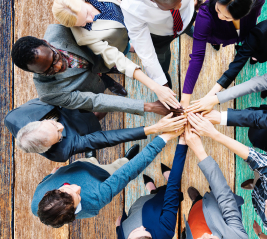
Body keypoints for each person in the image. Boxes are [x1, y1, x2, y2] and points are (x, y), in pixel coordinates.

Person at [11, 24, 181, 115]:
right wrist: (149, 106)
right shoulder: (48, 93)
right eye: (48, 71)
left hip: (100, 58)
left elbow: (100, 45)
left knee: (110, 67)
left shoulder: (60, 30)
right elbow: (95, 101)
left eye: (55, 58)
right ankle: (107, 83)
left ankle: (108, 76)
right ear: (35, 73)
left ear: (47, 43)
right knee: (99, 103)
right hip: (90, 86)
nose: (58, 66)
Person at [31, 129, 184, 228]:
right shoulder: (96, 199)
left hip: (77, 166)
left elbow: (44, 182)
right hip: (100, 176)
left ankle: (91, 159)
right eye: (77, 196)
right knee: (118, 168)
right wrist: (163, 138)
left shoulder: (37, 204)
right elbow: (127, 173)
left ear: (47, 194)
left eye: (65, 188)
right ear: (73, 214)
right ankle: (125, 160)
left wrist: (51, 176)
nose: (77, 187)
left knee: (87, 161)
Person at [186, 113, 267, 238]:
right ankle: (256, 183)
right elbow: (254, 158)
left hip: (254, 199)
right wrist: (213, 134)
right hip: (266, 182)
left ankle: (253, 186)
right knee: (258, 177)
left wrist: (260, 233)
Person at [52, 0, 181, 110]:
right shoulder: (83, 36)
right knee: (121, 53)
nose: (90, 19)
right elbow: (118, 59)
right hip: (116, 44)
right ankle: (110, 75)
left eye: (87, 13)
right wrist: (156, 87)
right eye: (82, 23)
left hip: (131, 24)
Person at [5, 98, 187, 162]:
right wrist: (153, 128)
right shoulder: (61, 152)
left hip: (62, 104)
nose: (60, 127)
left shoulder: (13, 117)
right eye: (59, 135)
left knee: (103, 101)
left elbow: (48, 97)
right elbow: (106, 138)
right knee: (96, 119)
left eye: (53, 124)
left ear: (38, 122)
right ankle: (87, 145)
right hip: (80, 131)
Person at [191, 8, 267, 102]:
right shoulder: (258, 34)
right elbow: (236, 66)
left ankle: (257, 57)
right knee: (255, 56)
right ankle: (255, 57)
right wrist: (210, 95)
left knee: (262, 55)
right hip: (260, 50)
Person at [181, 0, 266, 107]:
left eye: (227, 17)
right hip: (217, 35)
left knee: (250, 44)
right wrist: (185, 99)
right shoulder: (205, 13)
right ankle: (214, 42)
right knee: (206, 37)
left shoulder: (258, 2)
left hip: (245, 32)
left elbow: (257, 13)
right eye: (218, 9)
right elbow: (197, 57)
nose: (220, 16)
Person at [180, 125, 248, 239]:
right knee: (218, 193)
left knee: (196, 209)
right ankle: (211, 195)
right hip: (218, 210)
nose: (206, 235)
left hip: (194, 224)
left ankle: (197, 200)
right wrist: (198, 149)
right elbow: (225, 197)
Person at [115, 134, 188, 239]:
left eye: (134, 233)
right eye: (145, 232)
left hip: (139, 205)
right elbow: (173, 186)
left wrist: (119, 229)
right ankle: (163, 185)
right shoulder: (165, 230)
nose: (141, 227)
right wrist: (183, 143)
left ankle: (153, 191)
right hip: (161, 203)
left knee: (147, 199)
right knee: (169, 191)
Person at [121, 0, 197, 89]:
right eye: (172, 7)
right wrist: (163, 86)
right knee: (162, 62)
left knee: (191, 29)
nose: (179, 6)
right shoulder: (131, 7)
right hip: (159, 36)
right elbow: (147, 54)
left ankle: (195, 32)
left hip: (187, 16)